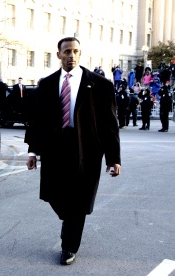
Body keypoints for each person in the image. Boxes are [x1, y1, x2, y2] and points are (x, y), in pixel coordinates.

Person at [25, 37, 121, 266]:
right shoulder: (47, 84)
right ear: (58, 55)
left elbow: (110, 124)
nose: (71, 55)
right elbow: (37, 120)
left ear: (80, 54)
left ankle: (69, 246)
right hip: (55, 150)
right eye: (67, 51)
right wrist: (32, 152)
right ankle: (68, 221)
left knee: (79, 200)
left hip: (86, 149)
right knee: (53, 195)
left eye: (75, 51)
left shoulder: (100, 84)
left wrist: (113, 158)